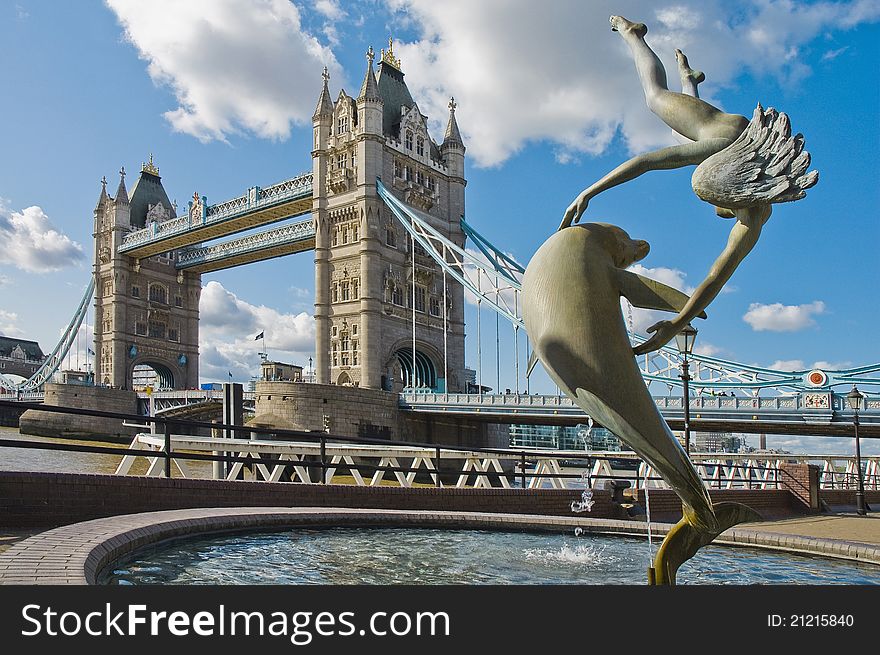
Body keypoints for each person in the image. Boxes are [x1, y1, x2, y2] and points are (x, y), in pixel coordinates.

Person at [560, 16, 816, 356]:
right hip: (720, 133)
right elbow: (647, 161)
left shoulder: (751, 210)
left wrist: (677, 324)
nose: (717, 212)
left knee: (681, 134)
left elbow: (714, 279)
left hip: (733, 135)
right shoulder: (742, 201)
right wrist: (588, 192)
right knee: (655, 97)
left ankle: (690, 83)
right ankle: (633, 35)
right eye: (718, 208)